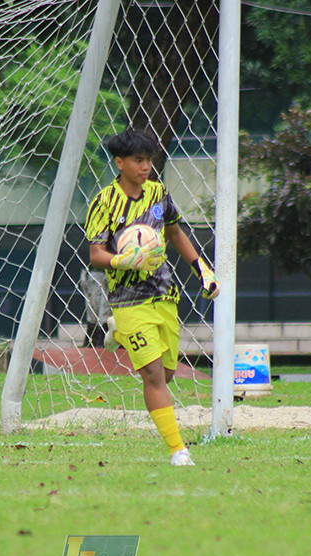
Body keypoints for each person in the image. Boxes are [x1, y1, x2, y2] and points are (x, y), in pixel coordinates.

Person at [84, 129, 220, 467]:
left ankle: (117, 332)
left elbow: (174, 232)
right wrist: (122, 260)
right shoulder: (104, 202)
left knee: (168, 373)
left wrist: (201, 269)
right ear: (119, 162)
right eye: (138, 160)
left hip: (164, 296)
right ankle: (178, 450)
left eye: (149, 160)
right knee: (154, 377)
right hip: (128, 301)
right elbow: (95, 254)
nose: (146, 167)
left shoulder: (159, 193)